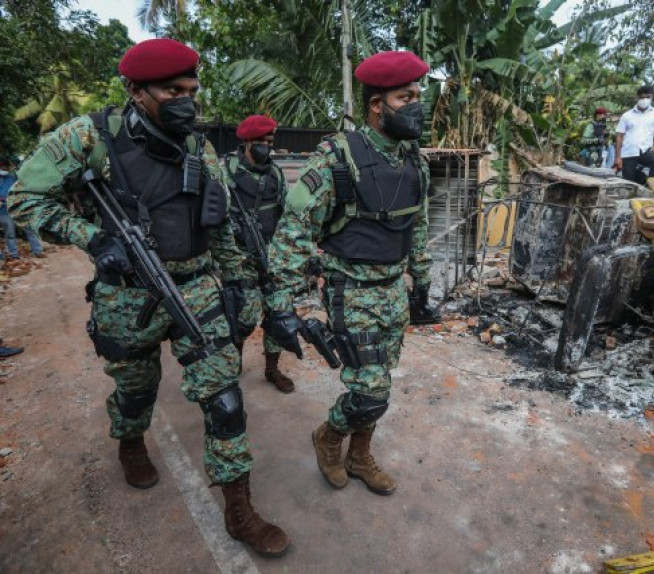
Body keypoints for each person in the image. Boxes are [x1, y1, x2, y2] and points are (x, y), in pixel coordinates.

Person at [8, 38, 289, 557]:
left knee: (225, 397)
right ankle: (131, 441)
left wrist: (241, 285)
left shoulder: (200, 148)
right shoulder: (90, 136)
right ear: (136, 91)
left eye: (191, 90)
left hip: (196, 287)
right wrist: (93, 238)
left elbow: (221, 224)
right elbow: (25, 199)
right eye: (172, 91)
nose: (187, 101)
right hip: (127, 293)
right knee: (136, 390)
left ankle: (239, 509)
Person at [265, 50, 436, 496]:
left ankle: (360, 457)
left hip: (393, 290)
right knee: (371, 391)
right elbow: (293, 231)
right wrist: (280, 304)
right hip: (351, 291)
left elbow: (416, 224)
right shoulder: (336, 158)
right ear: (377, 104)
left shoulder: (414, 161)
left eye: (418, 95)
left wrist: (422, 279)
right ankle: (329, 436)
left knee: (380, 378)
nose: (417, 105)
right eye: (406, 97)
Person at [223, 115, 294, 393]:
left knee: (278, 311)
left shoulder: (275, 174)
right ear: (247, 142)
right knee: (242, 314)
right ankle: (233, 363)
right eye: (261, 141)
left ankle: (272, 368)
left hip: (271, 254)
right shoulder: (226, 173)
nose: (267, 146)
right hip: (238, 258)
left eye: (270, 141)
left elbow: (287, 214)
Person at [613, 86, 654, 183]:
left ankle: (652, 186)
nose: (645, 100)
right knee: (628, 181)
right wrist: (617, 157)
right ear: (637, 98)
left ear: (652, 97)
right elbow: (619, 136)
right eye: (642, 97)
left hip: (645, 150)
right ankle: (641, 180)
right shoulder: (627, 115)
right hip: (629, 152)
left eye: (648, 97)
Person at [0, 156, 44, 263]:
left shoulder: (12, 177)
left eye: (7, 167)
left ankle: (37, 251)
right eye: (4, 167)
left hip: (18, 208)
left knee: (29, 229)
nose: (6, 169)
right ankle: (14, 255)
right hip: (4, 211)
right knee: (10, 233)